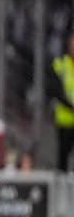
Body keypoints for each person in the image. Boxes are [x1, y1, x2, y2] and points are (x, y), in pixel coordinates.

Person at [49, 33, 74, 171]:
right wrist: (70, 106)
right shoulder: (60, 64)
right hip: (65, 119)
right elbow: (55, 89)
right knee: (63, 157)